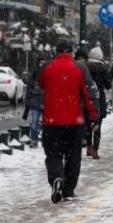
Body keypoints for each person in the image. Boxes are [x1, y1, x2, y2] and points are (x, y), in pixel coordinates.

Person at [39, 41, 99, 203]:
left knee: (53, 154)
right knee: (73, 155)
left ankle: (57, 177)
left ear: (56, 52)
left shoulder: (46, 68)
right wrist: (94, 115)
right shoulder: (80, 68)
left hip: (51, 121)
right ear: (71, 53)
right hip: (74, 120)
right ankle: (69, 189)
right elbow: (89, 94)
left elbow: (39, 87)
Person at [86, 46, 111, 158]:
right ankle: (95, 150)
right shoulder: (102, 69)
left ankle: (88, 146)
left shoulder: (85, 67)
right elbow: (108, 85)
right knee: (98, 125)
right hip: (98, 98)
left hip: (87, 98)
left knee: (87, 124)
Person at [22, 56, 47, 148]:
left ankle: (45, 141)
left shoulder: (49, 73)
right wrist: (27, 102)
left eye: (44, 62)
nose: (42, 64)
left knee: (46, 124)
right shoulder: (34, 73)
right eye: (41, 62)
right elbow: (29, 89)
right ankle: (34, 140)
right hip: (35, 102)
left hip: (46, 102)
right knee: (34, 122)